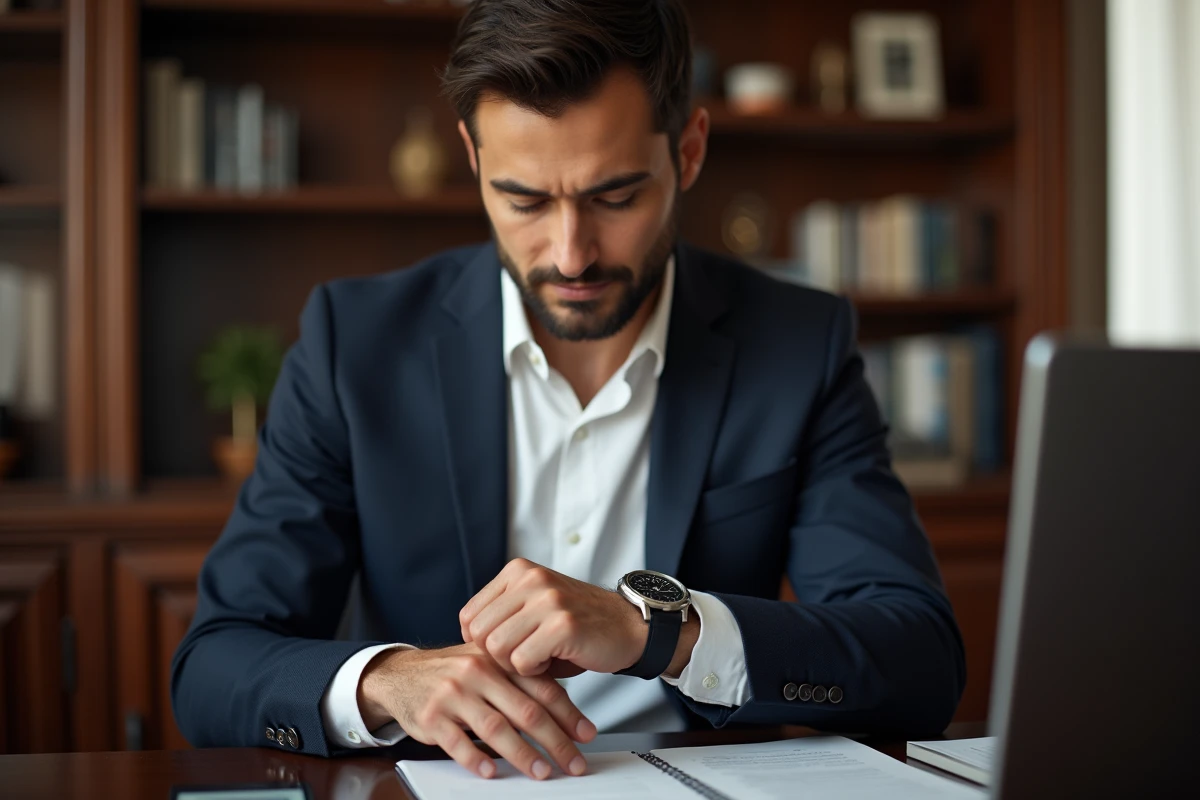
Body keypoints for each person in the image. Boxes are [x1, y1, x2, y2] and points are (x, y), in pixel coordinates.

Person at [171, 0, 965, 781]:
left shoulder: (799, 345)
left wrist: (660, 633)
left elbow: (918, 659)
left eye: (614, 197)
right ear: (474, 160)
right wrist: (390, 683)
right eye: (524, 200)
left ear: (688, 151)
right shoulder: (356, 343)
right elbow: (214, 663)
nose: (571, 253)